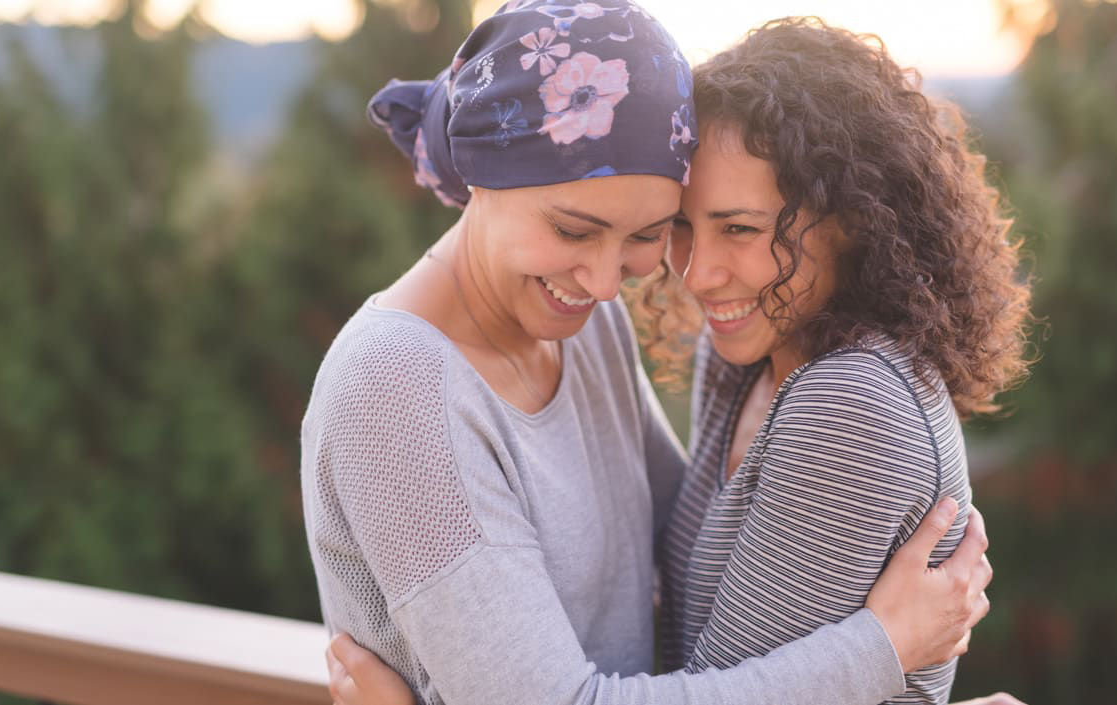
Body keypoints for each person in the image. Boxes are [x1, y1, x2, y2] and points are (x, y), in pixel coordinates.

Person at [304, 3, 992, 705]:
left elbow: (696, 545)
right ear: (482, 175)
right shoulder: (394, 384)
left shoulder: (579, 325)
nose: (606, 283)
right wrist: (882, 647)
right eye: (575, 230)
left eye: (647, 235)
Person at [647, 17, 1034, 705]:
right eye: (683, 224)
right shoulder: (744, 361)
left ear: (852, 218)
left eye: (739, 228)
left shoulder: (852, 402)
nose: (698, 273)